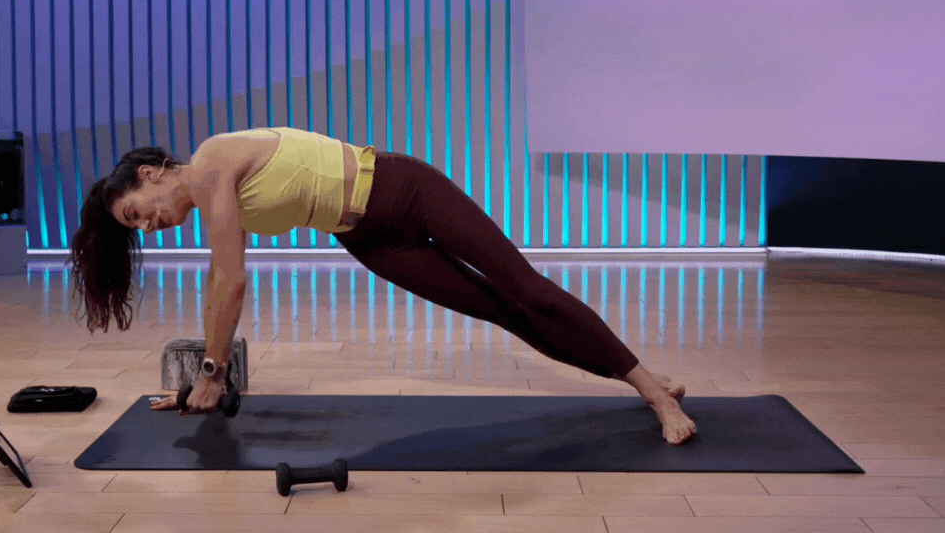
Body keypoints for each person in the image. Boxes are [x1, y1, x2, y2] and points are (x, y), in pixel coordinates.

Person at [68, 127, 697, 445]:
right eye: (137, 227)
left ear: (150, 173)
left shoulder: (208, 163)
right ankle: (640, 380)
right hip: (371, 239)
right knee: (500, 310)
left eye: (137, 212)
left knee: (524, 289)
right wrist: (205, 374)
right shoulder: (209, 196)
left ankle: (654, 392)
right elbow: (217, 280)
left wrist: (211, 372)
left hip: (405, 191)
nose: (148, 223)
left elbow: (230, 281)